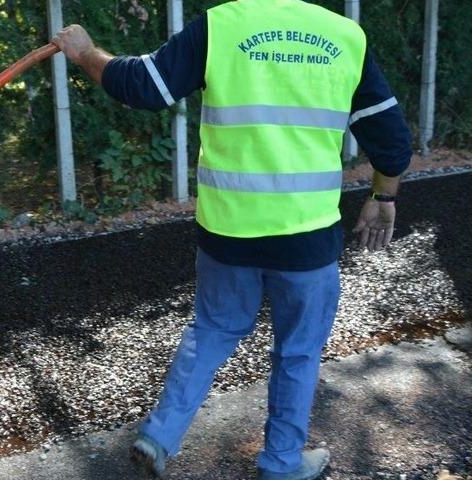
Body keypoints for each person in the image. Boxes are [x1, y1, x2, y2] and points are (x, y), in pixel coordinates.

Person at [52, 1, 412, 479]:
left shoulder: (221, 25)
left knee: (213, 330)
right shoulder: (345, 35)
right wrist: (383, 195)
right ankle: (282, 462)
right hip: (306, 238)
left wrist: (85, 53)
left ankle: (159, 436)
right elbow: (390, 136)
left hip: (228, 231)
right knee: (298, 351)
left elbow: (144, 86)